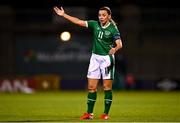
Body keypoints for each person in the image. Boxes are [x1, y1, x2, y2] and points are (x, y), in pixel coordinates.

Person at [53, 6, 123, 120]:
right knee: (91, 87)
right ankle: (89, 114)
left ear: (109, 16)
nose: (101, 17)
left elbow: (120, 44)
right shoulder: (94, 24)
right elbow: (78, 21)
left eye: (104, 15)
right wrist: (64, 15)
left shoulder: (113, 29)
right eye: (99, 15)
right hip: (95, 57)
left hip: (107, 59)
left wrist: (114, 49)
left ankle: (105, 114)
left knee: (107, 87)